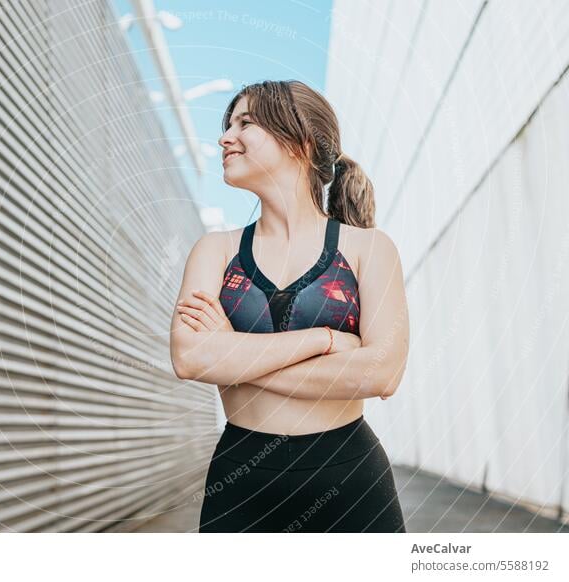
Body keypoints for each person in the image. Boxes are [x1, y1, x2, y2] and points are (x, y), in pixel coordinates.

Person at [169, 80, 409, 533]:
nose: (225, 137)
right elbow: (190, 358)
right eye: (228, 125)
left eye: (245, 123)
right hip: (241, 485)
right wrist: (323, 340)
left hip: (350, 482)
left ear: (297, 141)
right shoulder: (215, 251)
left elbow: (382, 373)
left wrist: (233, 356)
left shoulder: (368, 249)